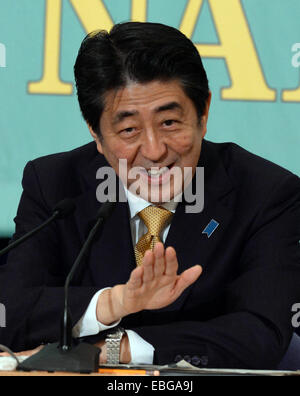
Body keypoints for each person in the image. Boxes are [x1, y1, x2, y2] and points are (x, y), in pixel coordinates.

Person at [0, 22, 300, 369]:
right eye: (128, 130)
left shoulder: (265, 192)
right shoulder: (55, 185)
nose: (155, 151)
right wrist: (114, 302)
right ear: (96, 133)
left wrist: (116, 349)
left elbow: (262, 332)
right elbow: (12, 311)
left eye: (170, 122)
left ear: (203, 113)